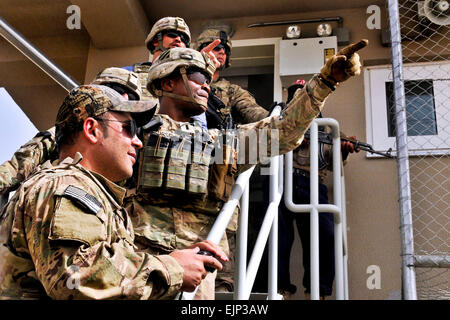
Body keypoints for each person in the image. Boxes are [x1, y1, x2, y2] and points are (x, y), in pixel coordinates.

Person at [127, 40, 365, 299]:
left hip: (195, 278)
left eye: (209, 78)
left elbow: (282, 131)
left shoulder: (219, 144)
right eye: (197, 77)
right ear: (166, 82)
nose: (207, 85)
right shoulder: (132, 133)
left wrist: (325, 82)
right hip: (140, 268)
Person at [0, 84, 227, 299]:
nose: (137, 141)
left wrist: (177, 259)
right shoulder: (64, 186)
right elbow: (76, 279)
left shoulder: (90, 192)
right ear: (92, 129)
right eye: (128, 129)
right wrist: (172, 269)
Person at [195, 28, 272, 291]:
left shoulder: (231, 90)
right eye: (215, 47)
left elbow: (257, 115)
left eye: (224, 50)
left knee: (225, 222)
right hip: (184, 160)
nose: (221, 53)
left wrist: (282, 118)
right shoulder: (184, 80)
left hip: (218, 163)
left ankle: (223, 284)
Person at [0, 67, 144, 197]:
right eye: (116, 91)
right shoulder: (62, 133)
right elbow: (12, 173)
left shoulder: (137, 140)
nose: (124, 98)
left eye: (132, 98)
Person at [277, 79, 360, 300]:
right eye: (297, 99)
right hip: (280, 184)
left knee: (325, 236)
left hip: (312, 184)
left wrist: (344, 148)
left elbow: (334, 160)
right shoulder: (278, 122)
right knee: (278, 239)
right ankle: (280, 290)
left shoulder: (325, 129)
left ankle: (317, 292)